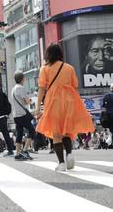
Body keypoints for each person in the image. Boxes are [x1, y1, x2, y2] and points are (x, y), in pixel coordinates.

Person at [34, 43, 95, 172]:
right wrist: (79, 106)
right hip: (69, 102)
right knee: (66, 130)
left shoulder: (45, 69)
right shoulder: (69, 68)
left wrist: (38, 107)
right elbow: (75, 87)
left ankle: (61, 163)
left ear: (48, 54)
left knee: (56, 133)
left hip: (53, 102)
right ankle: (69, 154)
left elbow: (41, 89)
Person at [11, 71, 36, 161]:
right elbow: (26, 101)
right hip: (22, 114)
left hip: (15, 115)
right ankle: (25, 150)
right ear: (22, 79)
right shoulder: (21, 88)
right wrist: (29, 100)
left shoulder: (13, 89)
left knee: (19, 132)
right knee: (32, 131)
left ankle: (17, 153)